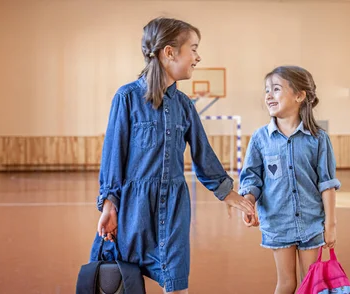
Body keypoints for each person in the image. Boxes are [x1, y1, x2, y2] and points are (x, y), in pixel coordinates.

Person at [91, 17, 254, 293]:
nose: (197, 56)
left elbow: (204, 155)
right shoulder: (126, 98)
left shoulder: (184, 105)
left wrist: (230, 195)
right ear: (169, 53)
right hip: (134, 210)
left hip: (175, 209)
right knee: (129, 281)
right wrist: (109, 205)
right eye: (193, 48)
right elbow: (113, 156)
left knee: (177, 283)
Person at [239, 65, 341, 294]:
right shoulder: (260, 139)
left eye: (276, 89)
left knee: (311, 283)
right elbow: (252, 178)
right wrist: (248, 202)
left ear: (299, 95)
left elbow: (327, 184)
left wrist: (330, 225)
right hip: (278, 223)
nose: (268, 95)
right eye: (267, 90)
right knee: (286, 283)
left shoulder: (318, 139)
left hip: (312, 222)